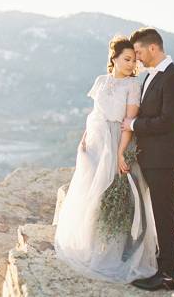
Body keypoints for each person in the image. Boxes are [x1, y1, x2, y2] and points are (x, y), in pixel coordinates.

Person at [54, 36, 159, 283]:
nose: (131, 64)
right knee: (92, 191)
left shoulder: (133, 85)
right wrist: (84, 138)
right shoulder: (101, 81)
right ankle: (91, 246)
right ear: (114, 59)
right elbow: (95, 113)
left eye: (134, 60)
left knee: (117, 196)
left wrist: (122, 152)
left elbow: (128, 124)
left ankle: (115, 253)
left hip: (117, 141)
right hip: (96, 142)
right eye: (126, 59)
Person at [121, 27, 174, 291]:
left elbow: (167, 122)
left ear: (153, 48)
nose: (136, 57)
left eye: (138, 52)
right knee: (151, 214)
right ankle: (156, 265)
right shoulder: (152, 76)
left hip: (163, 159)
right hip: (148, 158)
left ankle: (168, 276)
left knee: (164, 216)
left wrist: (134, 124)